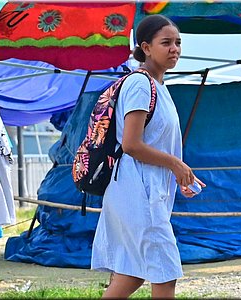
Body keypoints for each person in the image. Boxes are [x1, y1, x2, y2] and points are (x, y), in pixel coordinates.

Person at [91, 15, 205, 299]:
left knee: (133, 272)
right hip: (137, 191)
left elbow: (156, 143)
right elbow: (131, 144)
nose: (174, 48)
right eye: (166, 43)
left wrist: (178, 172)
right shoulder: (140, 85)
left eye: (178, 42)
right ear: (146, 47)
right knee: (165, 274)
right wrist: (175, 164)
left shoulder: (158, 87)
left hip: (144, 190)